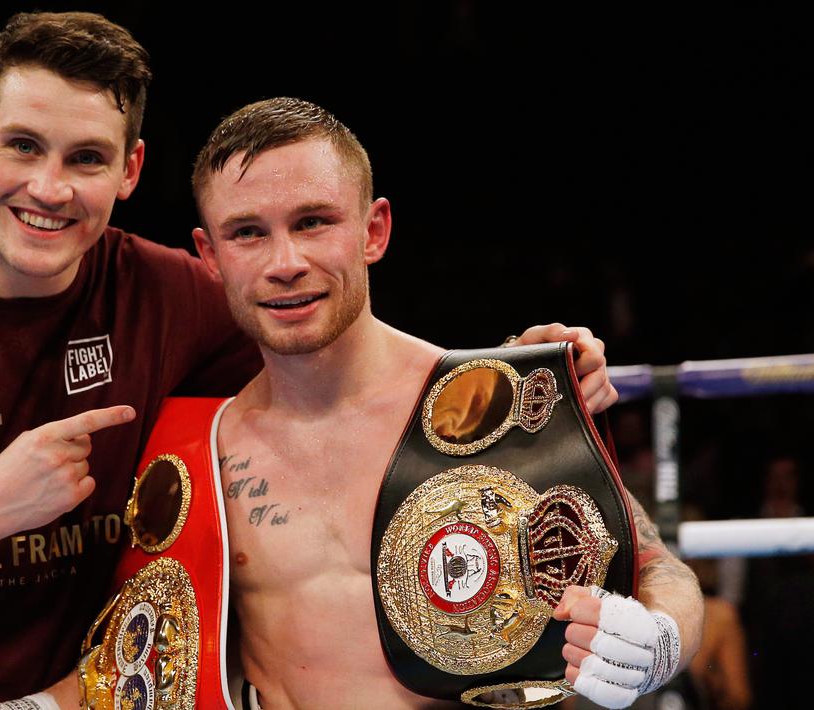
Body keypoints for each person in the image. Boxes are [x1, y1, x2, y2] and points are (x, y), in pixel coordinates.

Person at [0, 12, 624, 709]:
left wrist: (513, 382)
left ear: (130, 169)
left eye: (86, 158)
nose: (49, 188)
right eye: (22, 146)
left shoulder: (178, 291)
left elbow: (342, 347)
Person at [187, 97, 703, 709]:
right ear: (211, 256)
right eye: (248, 233)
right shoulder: (205, 448)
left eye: (314, 222)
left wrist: (660, 641)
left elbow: (656, 568)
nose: (286, 263)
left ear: (373, 231)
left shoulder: (487, 406)